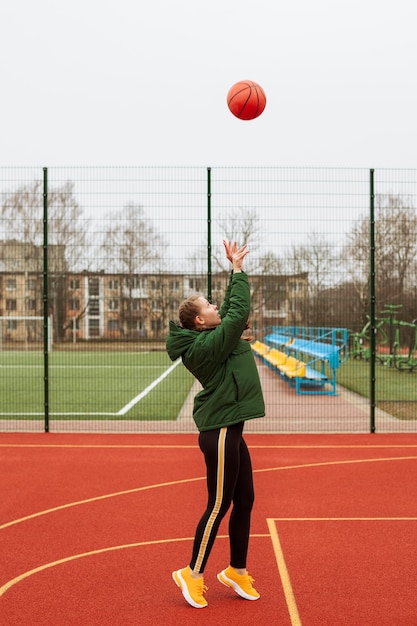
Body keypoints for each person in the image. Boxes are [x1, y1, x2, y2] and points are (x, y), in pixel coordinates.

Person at [166, 240, 265, 609]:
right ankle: (192, 573)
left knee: (246, 500)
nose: (215, 307)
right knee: (219, 503)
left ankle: (236, 569)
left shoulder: (211, 335)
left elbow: (232, 314)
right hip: (220, 432)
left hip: (231, 429)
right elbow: (237, 313)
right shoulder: (205, 346)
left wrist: (234, 274)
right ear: (198, 321)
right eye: (208, 306)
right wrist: (237, 272)